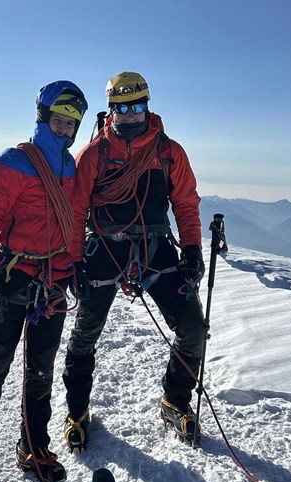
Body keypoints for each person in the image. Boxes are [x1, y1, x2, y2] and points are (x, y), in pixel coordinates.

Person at [0, 80, 88, 482]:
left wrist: (73, 265)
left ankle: (33, 445)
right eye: (58, 121)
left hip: (53, 282)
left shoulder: (70, 167)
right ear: (43, 118)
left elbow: (72, 222)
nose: (64, 129)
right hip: (14, 277)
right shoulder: (12, 162)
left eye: (70, 124)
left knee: (40, 369)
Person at [62, 71, 207, 449]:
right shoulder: (95, 154)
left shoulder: (168, 152)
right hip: (106, 249)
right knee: (85, 334)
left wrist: (192, 250)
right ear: (111, 110)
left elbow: (186, 204)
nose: (129, 114)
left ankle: (174, 400)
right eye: (121, 108)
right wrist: (74, 259)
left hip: (156, 247)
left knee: (193, 328)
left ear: (147, 105)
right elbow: (77, 211)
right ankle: (76, 411)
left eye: (136, 106)